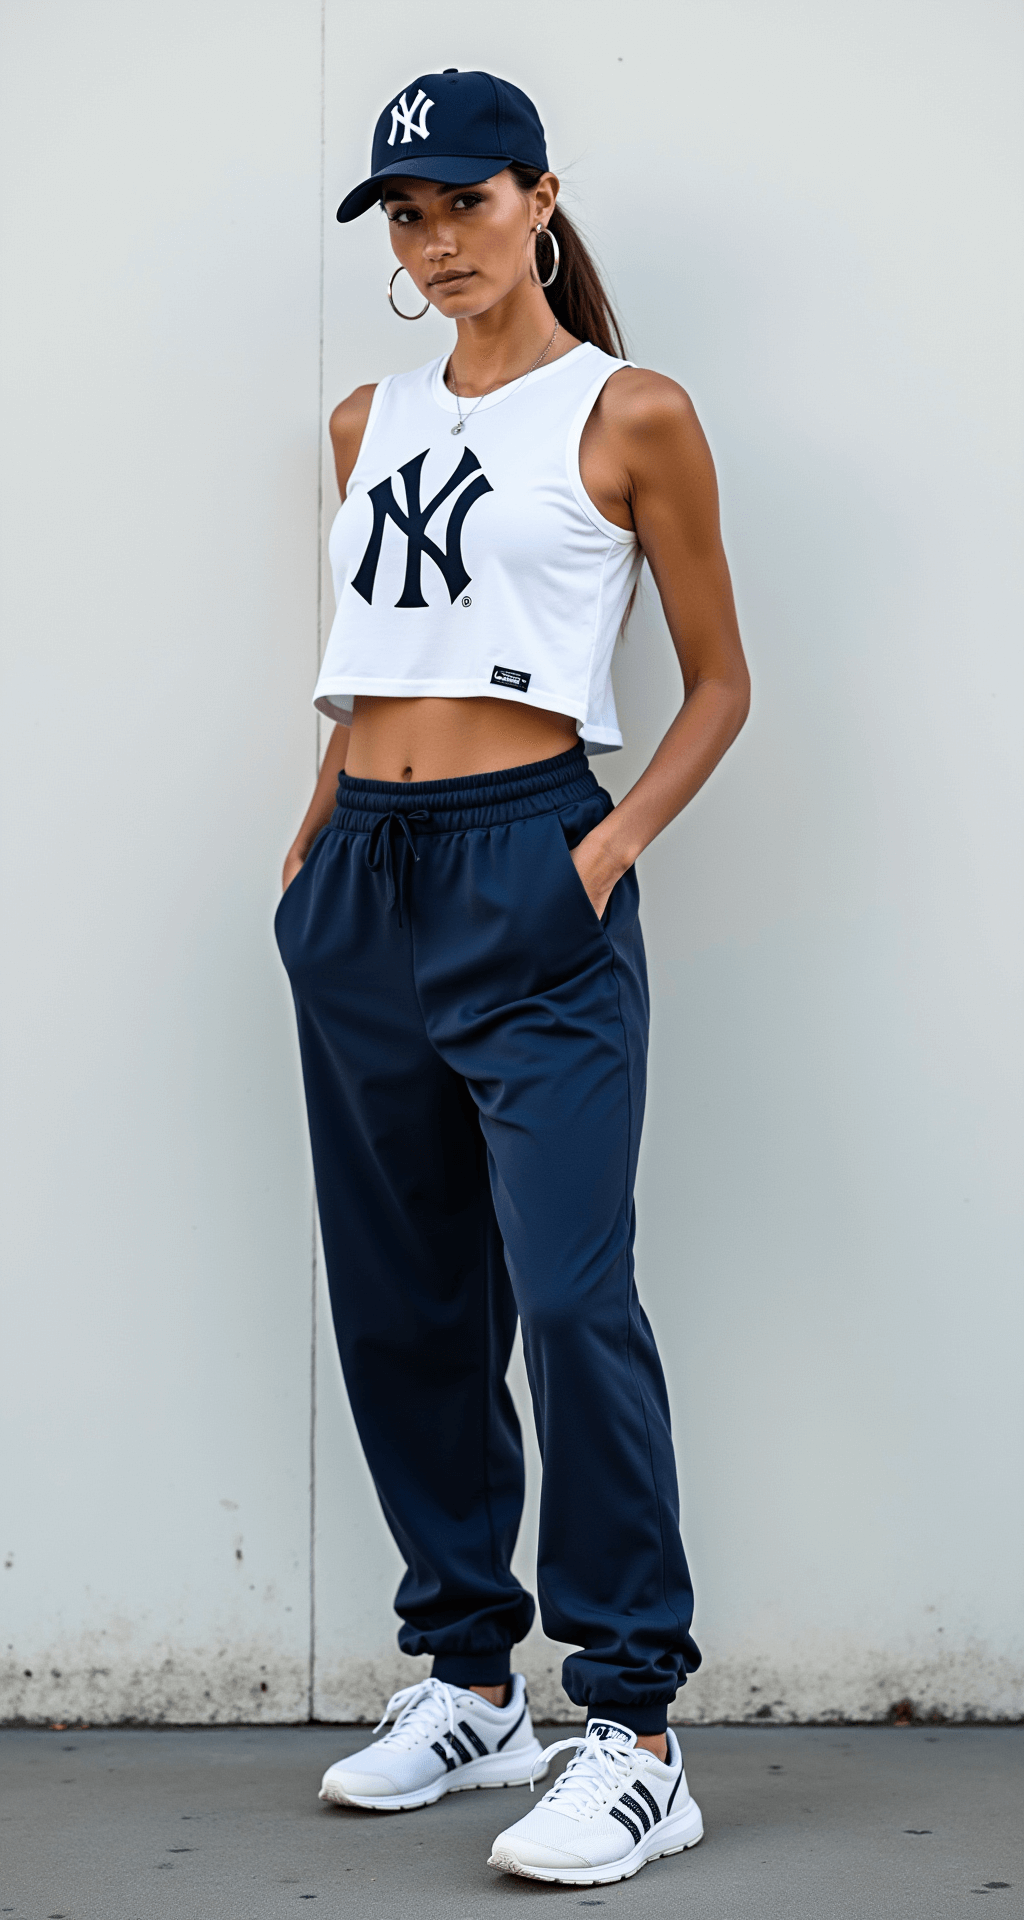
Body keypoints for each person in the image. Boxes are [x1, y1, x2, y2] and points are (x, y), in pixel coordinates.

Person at [275, 68, 749, 1888]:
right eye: (406, 216)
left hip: (532, 872)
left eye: (464, 202)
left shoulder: (632, 415)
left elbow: (718, 680)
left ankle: (629, 1723)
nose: (437, 240)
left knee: (566, 1294)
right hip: (365, 896)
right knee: (403, 1301)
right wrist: (313, 841)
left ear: (539, 196)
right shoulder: (362, 419)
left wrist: (599, 860)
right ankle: (469, 1679)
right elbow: (359, 659)